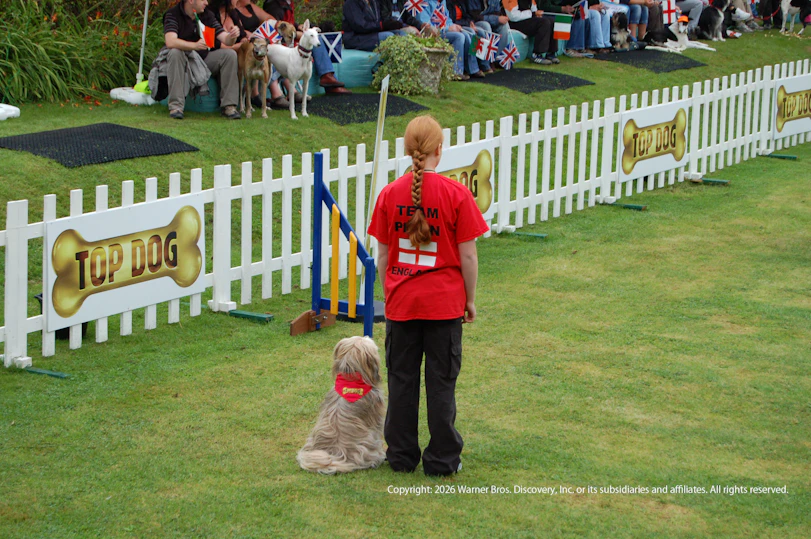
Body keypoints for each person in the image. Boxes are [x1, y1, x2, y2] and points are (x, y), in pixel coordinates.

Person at [367, 115, 489, 477]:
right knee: (441, 382)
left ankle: (401, 455)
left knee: (401, 380)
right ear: (440, 149)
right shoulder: (456, 194)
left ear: (408, 150)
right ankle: (442, 459)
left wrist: (389, 291)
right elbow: (468, 255)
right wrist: (469, 300)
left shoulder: (389, 194)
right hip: (443, 304)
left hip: (403, 303)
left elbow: (384, 255)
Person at [160, 0, 242, 120]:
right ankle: (176, 107)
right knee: (174, 52)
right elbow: (170, 41)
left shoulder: (207, 15)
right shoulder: (173, 14)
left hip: (203, 59)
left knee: (229, 55)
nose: (207, 2)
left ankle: (229, 106)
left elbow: (226, 40)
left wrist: (232, 36)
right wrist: (194, 46)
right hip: (183, 59)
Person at [209, 0, 290, 109]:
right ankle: (249, 97)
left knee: (260, 51)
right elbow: (215, 44)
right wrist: (240, 45)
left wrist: (244, 42)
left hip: (237, 49)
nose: (236, 1)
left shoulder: (232, 13)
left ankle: (256, 95)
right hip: (220, 51)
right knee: (235, 55)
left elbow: (242, 34)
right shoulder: (210, 15)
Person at [263, 0, 352, 94]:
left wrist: (298, 26)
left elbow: (289, 24)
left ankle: (328, 77)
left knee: (317, 38)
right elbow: (278, 29)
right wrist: (298, 34)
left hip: (292, 40)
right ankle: (327, 77)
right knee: (313, 40)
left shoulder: (287, 3)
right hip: (283, 43)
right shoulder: (274, 5)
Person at [410, 0, 484, 80]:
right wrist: (448, 28)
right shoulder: (422, 2)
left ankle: (473, 69)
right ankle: (455, 72)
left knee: (469, 33)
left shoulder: (442, 1)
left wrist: (453, 26)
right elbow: (427, 26)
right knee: (459, 37)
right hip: (433, 33)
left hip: (445, 30)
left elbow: (447, 19)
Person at [502, 0, 559, 65]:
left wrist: (536, 14)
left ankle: (551, 52)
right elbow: (512, 16)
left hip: (526, 19)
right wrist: (532, 14)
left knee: (551, 21)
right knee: (543, 23)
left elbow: (534, 9)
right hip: (514, 23)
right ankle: (536, 55)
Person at [342, 0, 409, 51]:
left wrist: (394, 22)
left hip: (372, 34)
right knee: (388, 37)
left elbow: (381, 18)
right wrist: (382, 26)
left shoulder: (373, 2)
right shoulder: (350, 3)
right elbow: (360, 26)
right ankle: (380, 65)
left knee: (402, 33)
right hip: (355, 38)